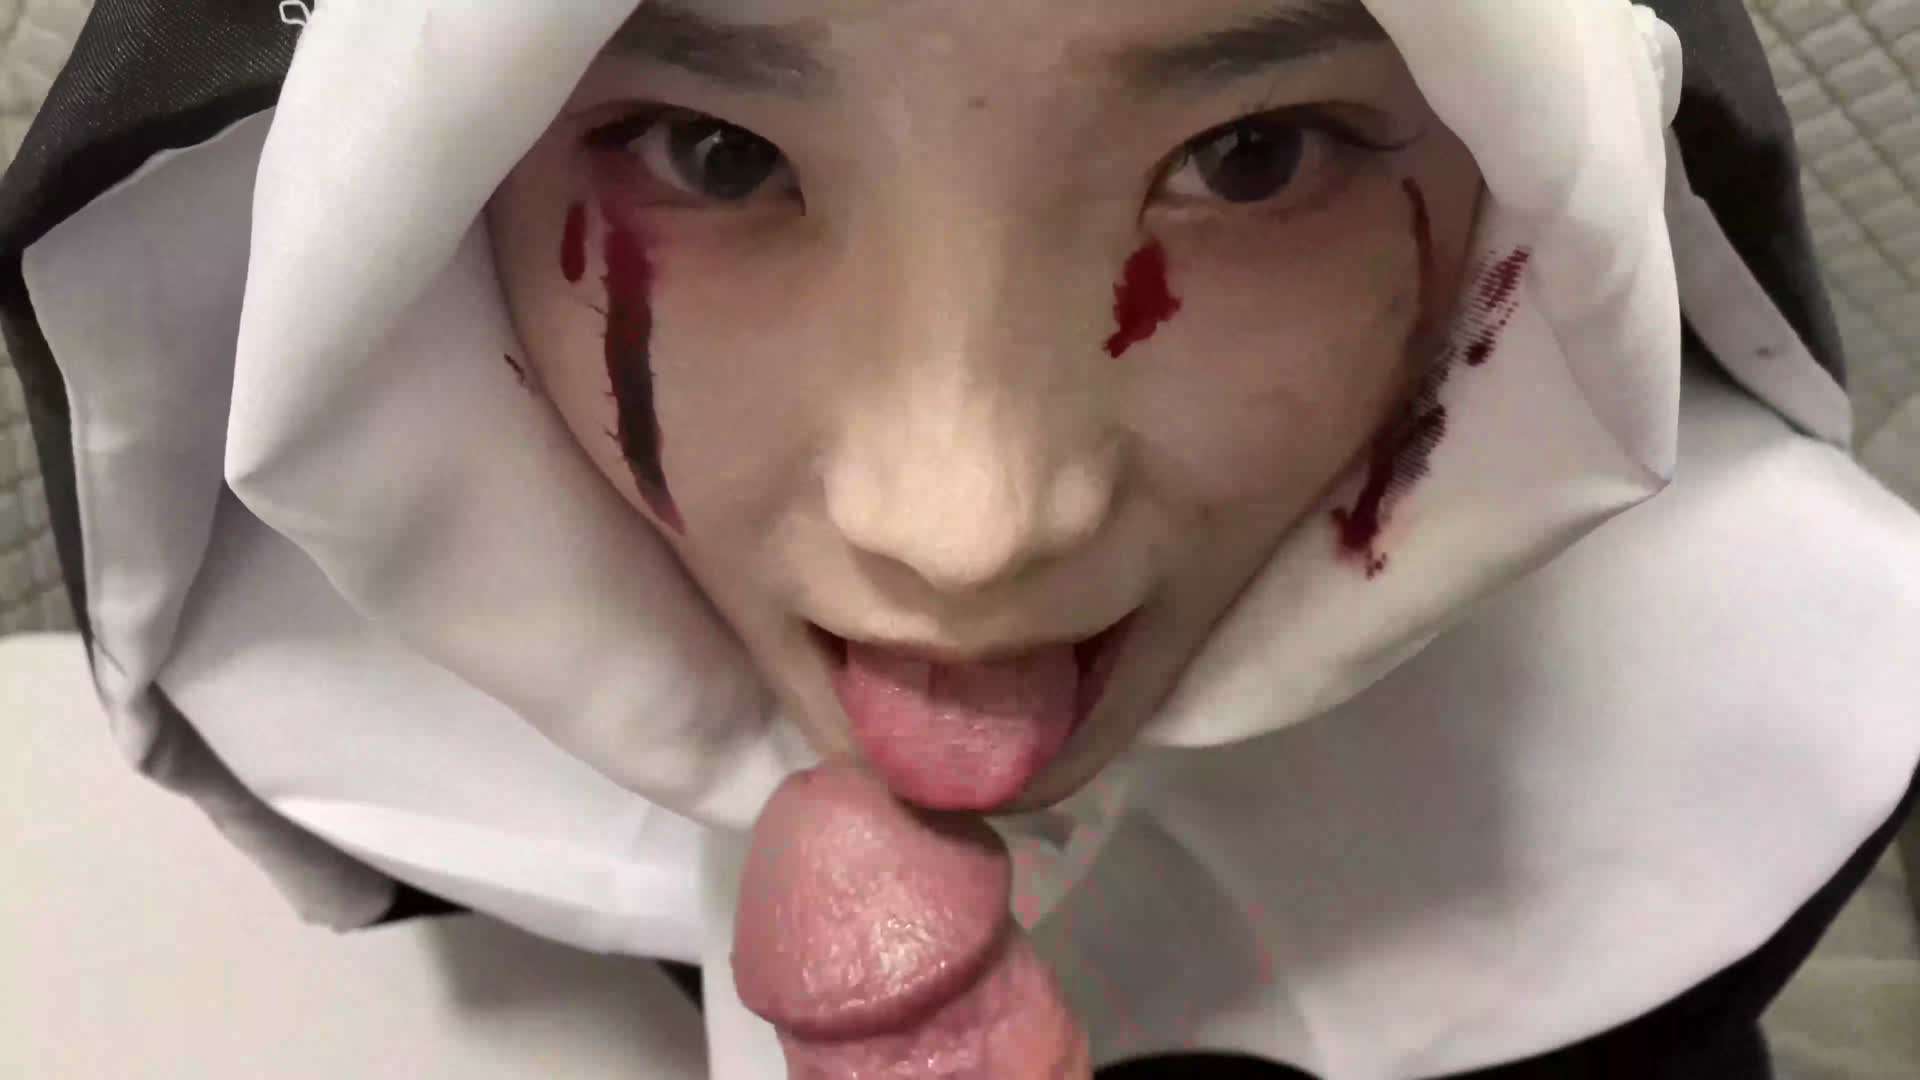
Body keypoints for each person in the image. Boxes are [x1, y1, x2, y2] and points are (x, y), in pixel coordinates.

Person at [3, 1, 1916, 1077]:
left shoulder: (1720, 769)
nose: (971, 530)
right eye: (718, 156)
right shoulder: (428, 782)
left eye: (1253, 156)